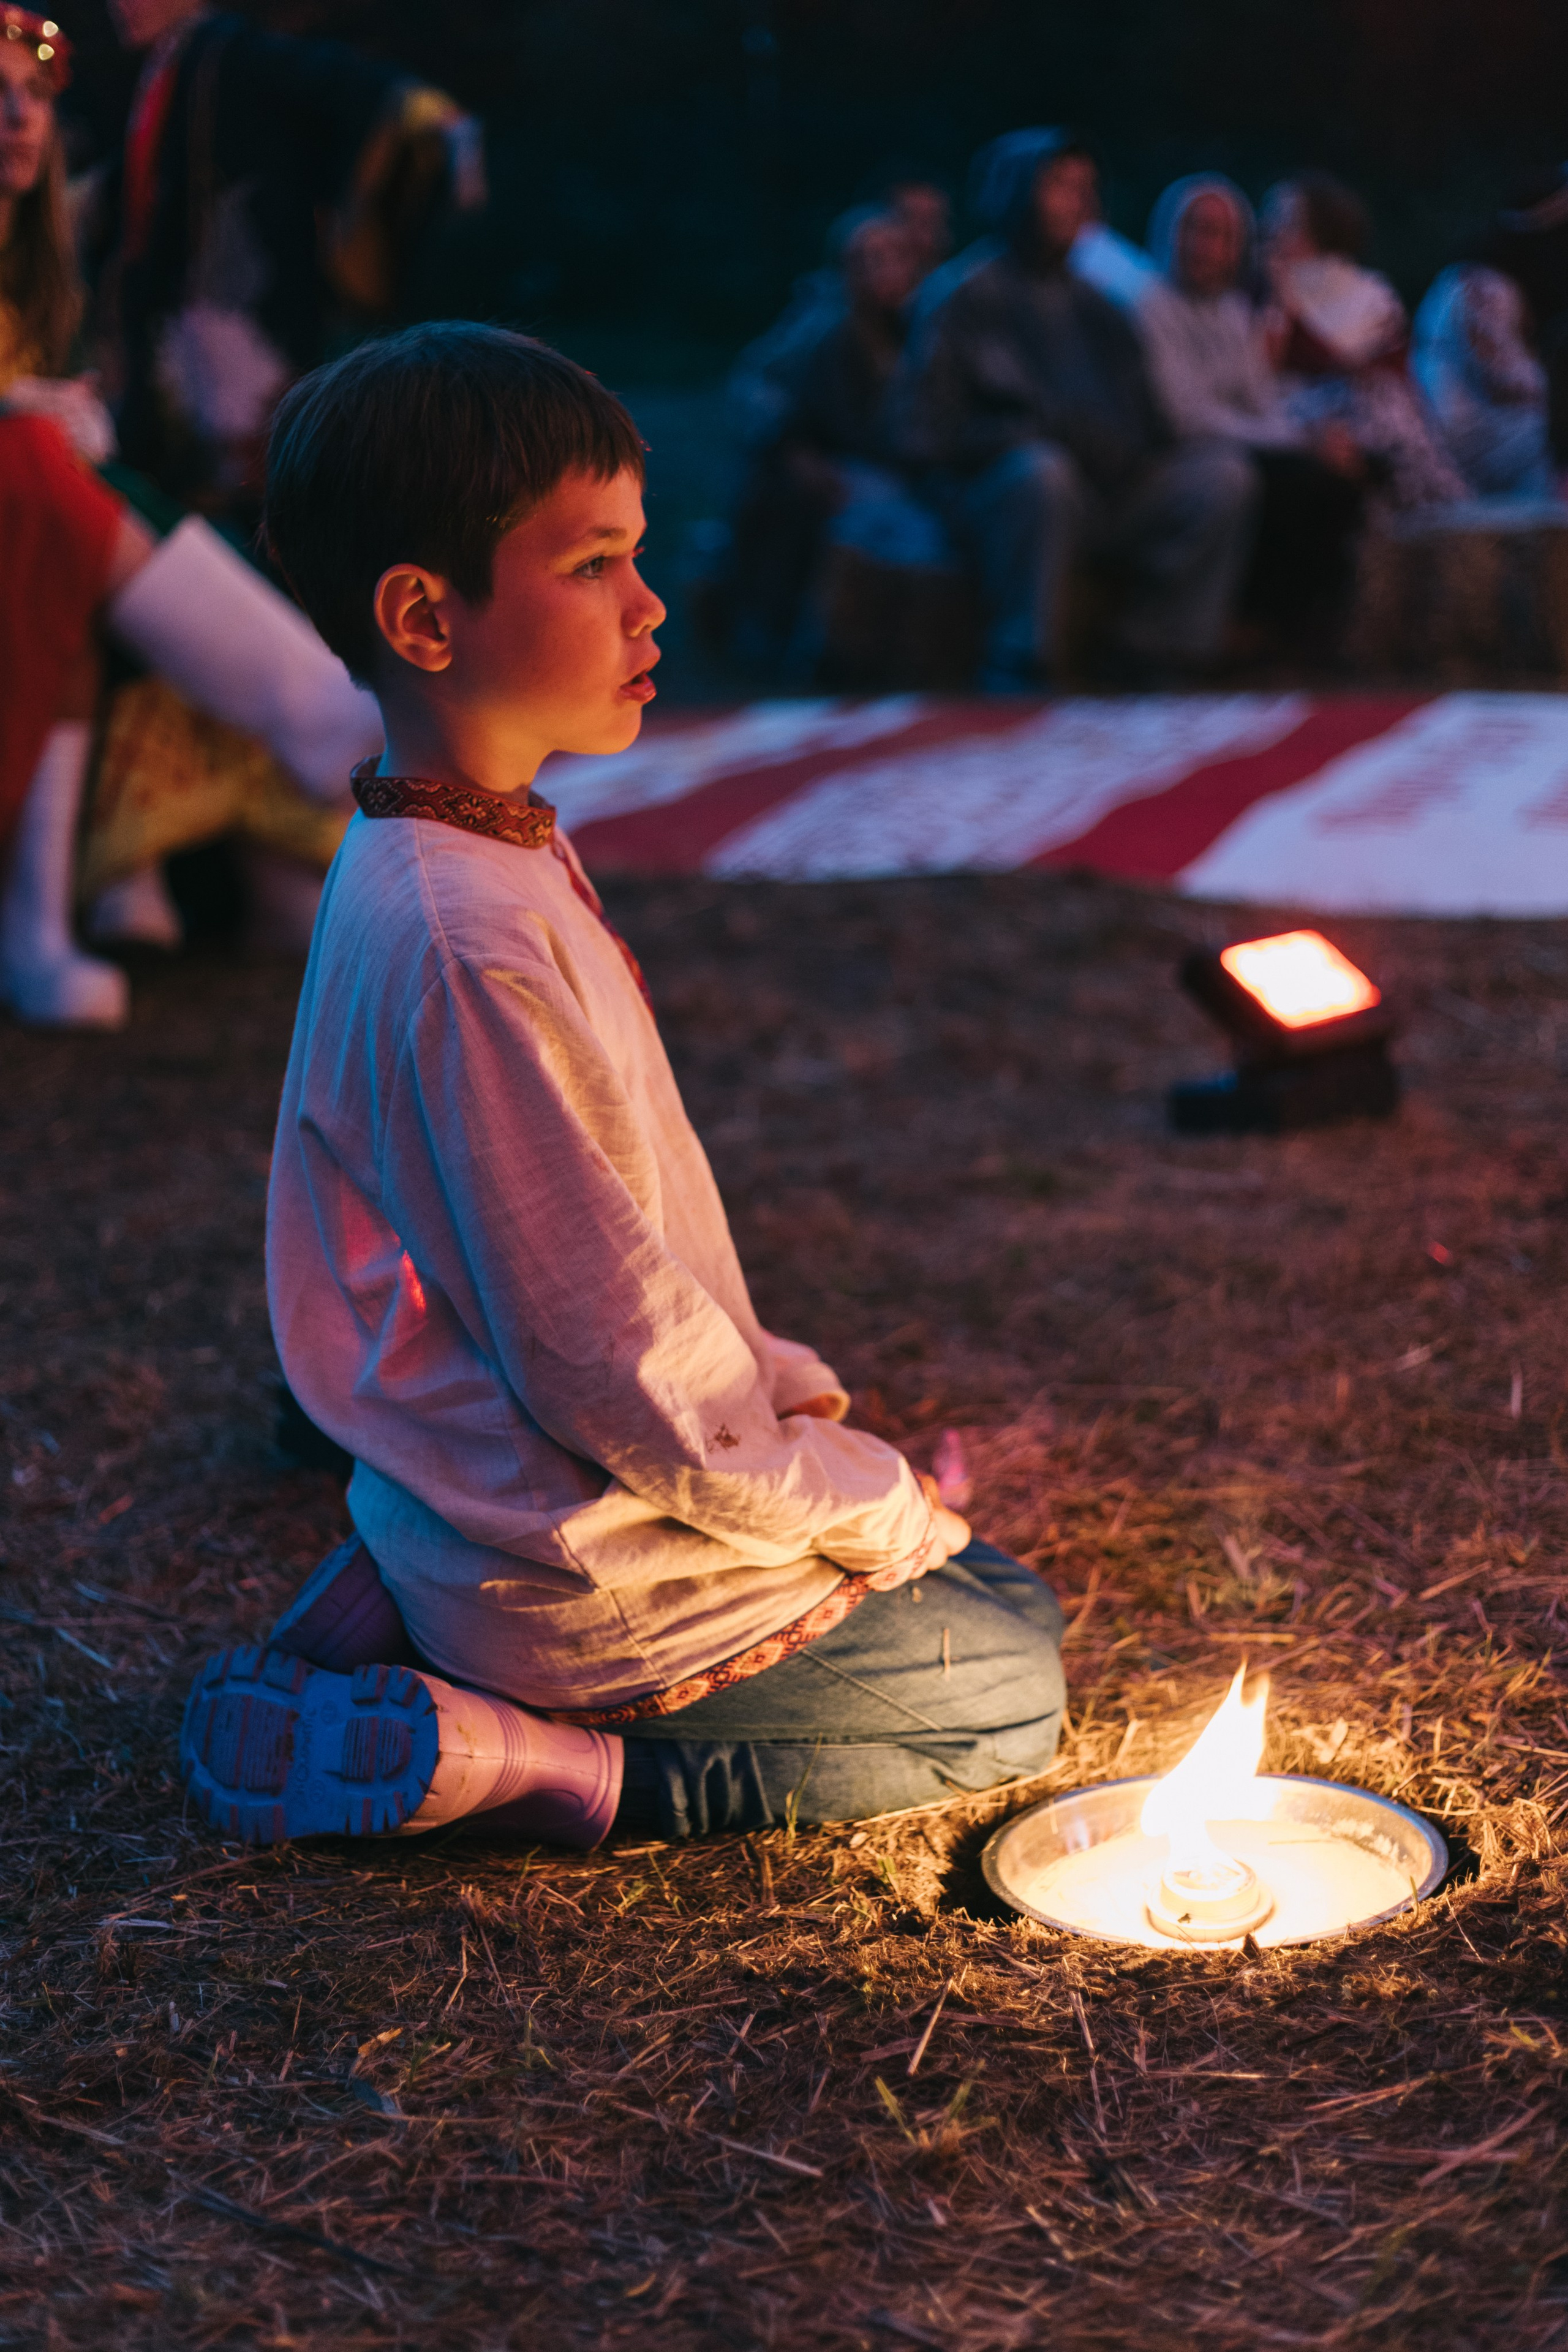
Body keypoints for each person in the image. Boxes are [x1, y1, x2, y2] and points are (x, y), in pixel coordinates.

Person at [179, 323, 1066, 1851]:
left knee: (970, 1575)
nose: (649, 602)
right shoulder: (466, 935)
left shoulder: (460, 839)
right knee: (1001, 1675)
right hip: (577, 1567)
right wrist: (868, 1508)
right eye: (591, 564)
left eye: (636, 554)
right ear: (423, 615)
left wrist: (833, 1469)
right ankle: (533, 1757)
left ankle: (404, 1589)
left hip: (497, 1493)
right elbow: (614, 1365)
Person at [0, 5, 379, 1023]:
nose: (18, 118)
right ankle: (317, 713)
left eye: (34, 96)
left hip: (44, 537)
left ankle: (60, 917)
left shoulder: (43, 264)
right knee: (41, 464)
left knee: (70, 497)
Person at [94, 0, 484, 532]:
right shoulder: (171, 65)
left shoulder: (234, 51)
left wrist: (422, 113)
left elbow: (339, 81)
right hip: (183, 324)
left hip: (240, 322)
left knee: (261, 496)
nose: (120, 4)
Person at [892, 127, 1257, 689]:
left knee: (1221, 476)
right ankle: (1022, 654)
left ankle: (1157, 644)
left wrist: (1121, 446)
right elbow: (924, 431)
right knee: (1044, 473)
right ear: (1017, 192)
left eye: (1085, 188)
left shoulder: (1099, 306)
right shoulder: (963, 297)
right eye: (1060, 186)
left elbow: (1147, 419)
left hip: (1104, 493)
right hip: (1005, 498)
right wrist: (1025, 435)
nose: (1078, 202)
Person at [1139, 174, 1365, 639]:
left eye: (1222, 236)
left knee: (1339, 480)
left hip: (1232, 446)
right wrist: (1298, 443)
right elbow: (1185, 416)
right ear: (1170, 233)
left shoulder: (1232, 313)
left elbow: (1263, 403)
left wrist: (1313, 439)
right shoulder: (1148, 308)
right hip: (1171, 459)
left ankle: (1287, 627)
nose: (1207, 246)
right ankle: (1244, 625)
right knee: (1286, 481)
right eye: (1197, 230)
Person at [725, 208, 941, 669]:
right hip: (842, 468)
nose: (877, 272)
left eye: (889, 258)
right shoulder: (821, 330)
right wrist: (790, 448)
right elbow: (763, 393)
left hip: (913, 473)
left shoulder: (929, 325)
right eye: (862, 260)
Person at [1260, 172, 1465, 510]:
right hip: (1288, 412)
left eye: (1286, 222)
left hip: (1360, 414)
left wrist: (1290, 306)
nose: (1272, 233)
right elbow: (1266, 368)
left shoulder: (1370, 293)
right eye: (1270, 220)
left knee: (1384, 402)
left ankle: (1441, 510)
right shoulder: (1264, 293)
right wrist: (1280, 301)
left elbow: (1347, 362)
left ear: (1320, 231)